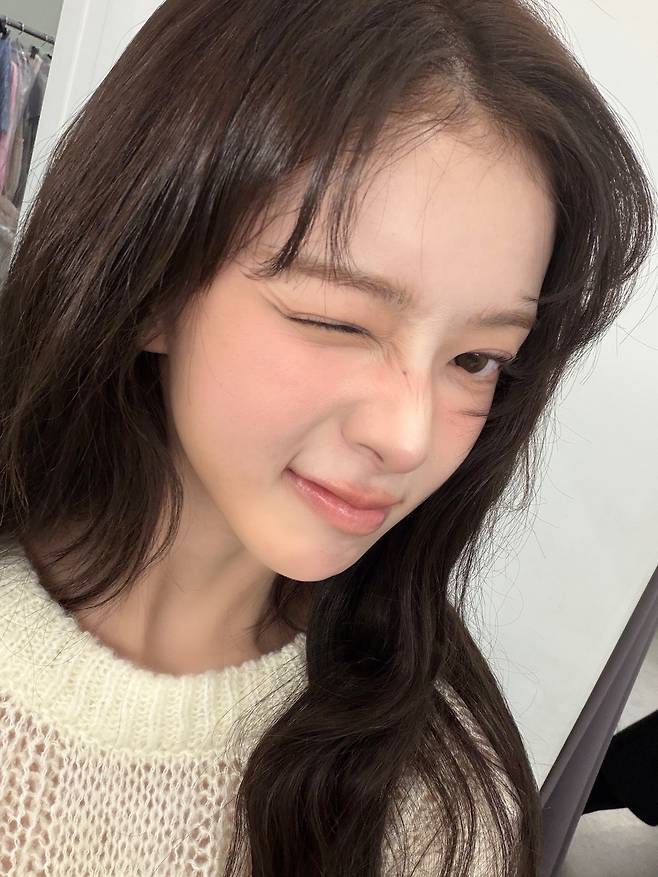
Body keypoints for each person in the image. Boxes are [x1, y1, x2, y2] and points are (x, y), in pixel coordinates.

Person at [0, 1, 654, 875]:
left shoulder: (437, 809)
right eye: (339, 322)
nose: (409, 436)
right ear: (152, 283)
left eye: (476, 359)